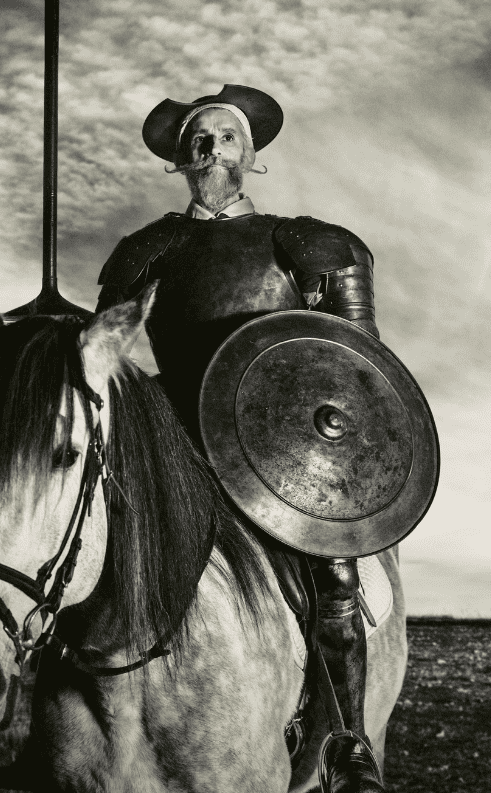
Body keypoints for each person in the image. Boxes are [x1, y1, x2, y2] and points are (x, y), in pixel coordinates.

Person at [94, 84, 386, 793]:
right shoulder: (147, 251)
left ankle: (344, 742)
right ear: (180, 162)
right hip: (174, 438)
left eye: (226, 135)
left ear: (251, 157)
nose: (210, 146)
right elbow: (100, 353)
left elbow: (358, 363)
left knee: (333, 577)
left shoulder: (307, 243)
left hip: (281, 451)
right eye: (198, 138)